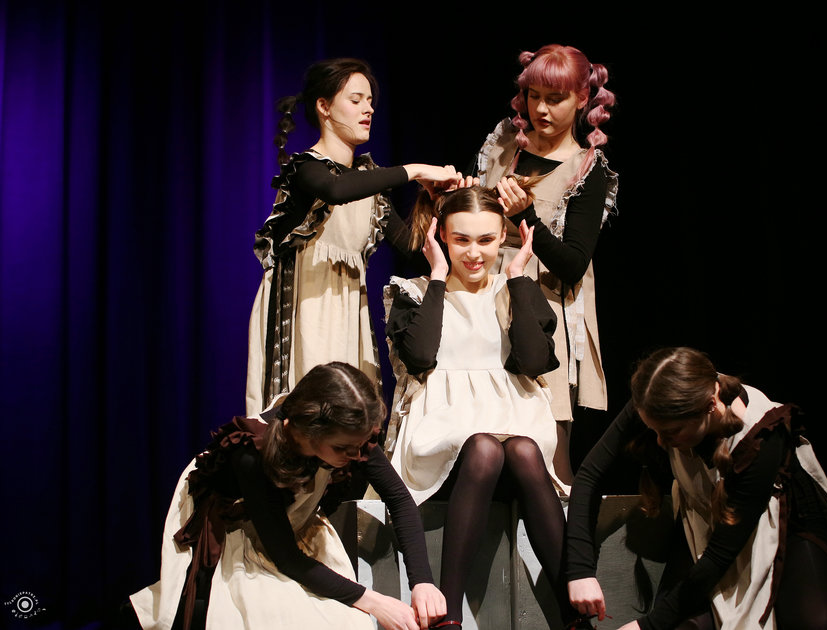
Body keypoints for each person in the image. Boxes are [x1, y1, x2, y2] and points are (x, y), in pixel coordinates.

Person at [383, 184, 585, 629]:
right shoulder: (414, 291)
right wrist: (438, 275)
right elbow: (420, 357)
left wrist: (516, 275)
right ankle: (449, 615)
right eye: (461, 240)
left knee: (523, 449)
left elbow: (534, 362)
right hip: (444, 440)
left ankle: (575, 616)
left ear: (504, 238)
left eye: (486, 240)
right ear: (440, 236)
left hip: (515, 424)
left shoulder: (516, 289)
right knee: (484, 448)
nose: (474, 253)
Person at [130, 362, 446, 630]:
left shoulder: (351, 437)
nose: (355, 456)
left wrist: (422, 581)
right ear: (310, 430)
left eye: (359, 446)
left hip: (293, 527)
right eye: (342, 449)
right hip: (238, 532)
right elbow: (285, 556)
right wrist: (375, 602)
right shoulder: (253, 454)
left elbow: (399, 500)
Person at [566, 347, 827, 630]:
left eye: (671, 432)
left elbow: (720, 555)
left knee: (819, 621)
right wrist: (579, 571)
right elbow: (590, 474)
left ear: (710, 405)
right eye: (654, 430)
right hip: (704, 517)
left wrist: (646, 627)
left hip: (781, 521)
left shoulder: (762, 437)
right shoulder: (658, 397)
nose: (660, 442)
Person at [247, 58, 460, 416]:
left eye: (370, 101)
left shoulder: (370, 183)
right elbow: (335, 189)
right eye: (356, 99)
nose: (369, 109)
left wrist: (437, 204)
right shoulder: (306, 169)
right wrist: (414, 170)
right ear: (324, 107)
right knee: (310, 412)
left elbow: (411, 249)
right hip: (303, 309)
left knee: (351, 416)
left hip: (350, 312)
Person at [474, 44, 618, 483]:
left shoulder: (587, 168)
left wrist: (527, 218)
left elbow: (572, 264)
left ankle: (566, 526)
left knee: (548, 449)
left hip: (543, 306)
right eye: (533, 96)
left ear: (582, 99)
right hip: (485, 293)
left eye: (554, 99)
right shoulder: (505, 143)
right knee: (482, 439)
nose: (540, 109)